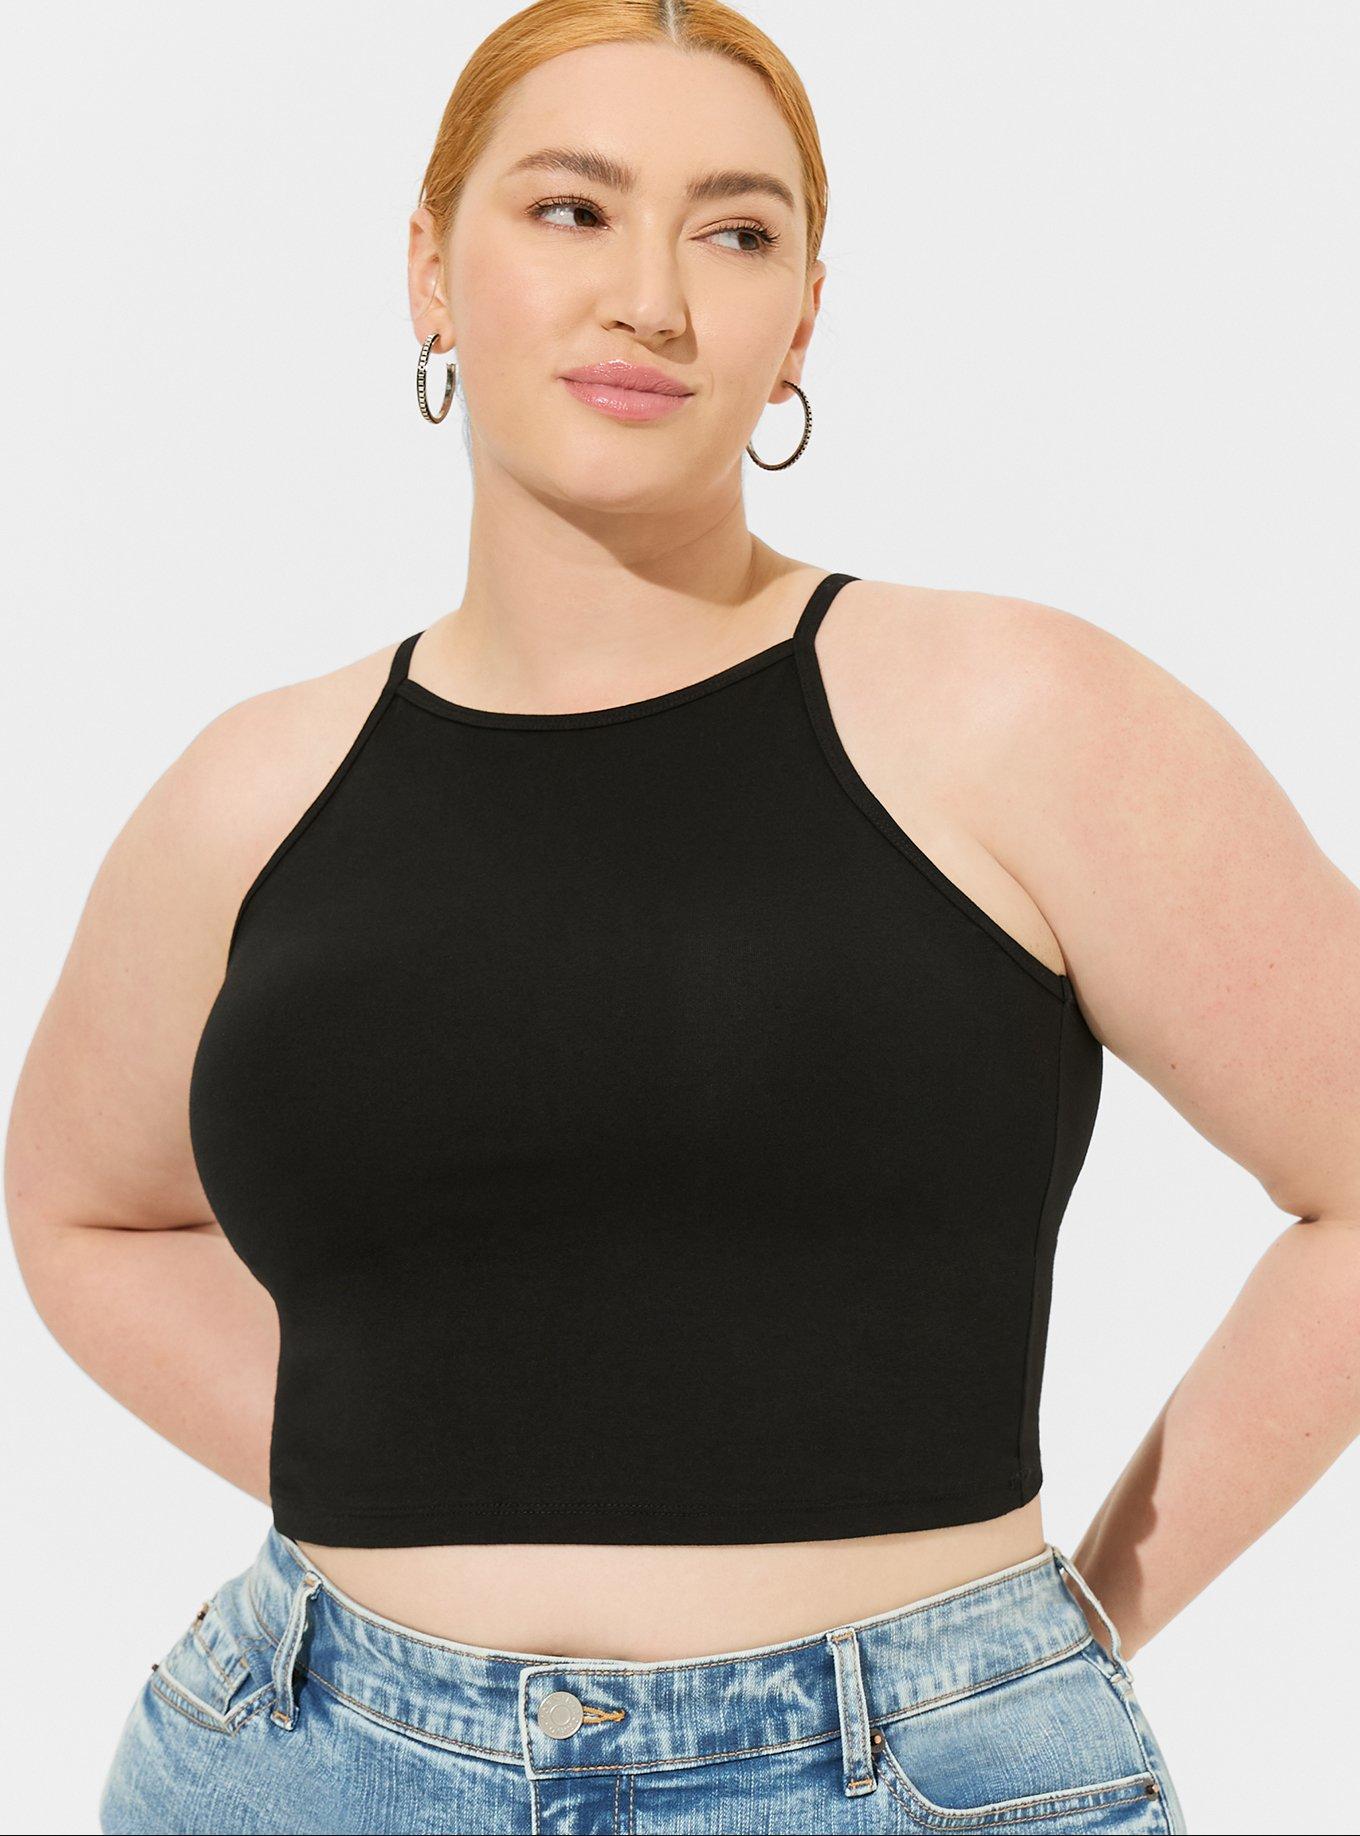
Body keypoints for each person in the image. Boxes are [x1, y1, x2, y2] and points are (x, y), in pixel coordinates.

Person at [8, 5, 1357, 1833]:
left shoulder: (1014, 717)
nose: (650, 297)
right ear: (430, 269)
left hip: (890, 1783)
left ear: (801, 318)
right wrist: (425, 1463)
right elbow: (84, 1208)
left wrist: (1061, 1643)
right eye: (571, 210)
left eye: (733, 231)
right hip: (302, 1761)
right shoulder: (248, 792)